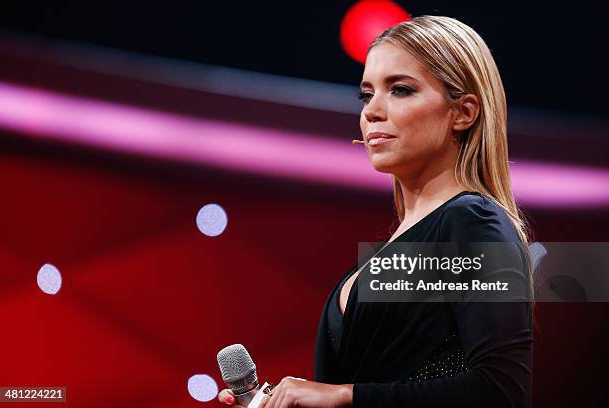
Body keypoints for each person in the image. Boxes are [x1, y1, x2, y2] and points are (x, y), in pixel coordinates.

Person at [219, 15, 534, 408]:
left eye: (400, 90)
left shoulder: (473, 222)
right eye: (366, 94)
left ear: (463, 113)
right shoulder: (402, 243)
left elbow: (501, 391)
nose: (371, 111)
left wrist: (341, 396)